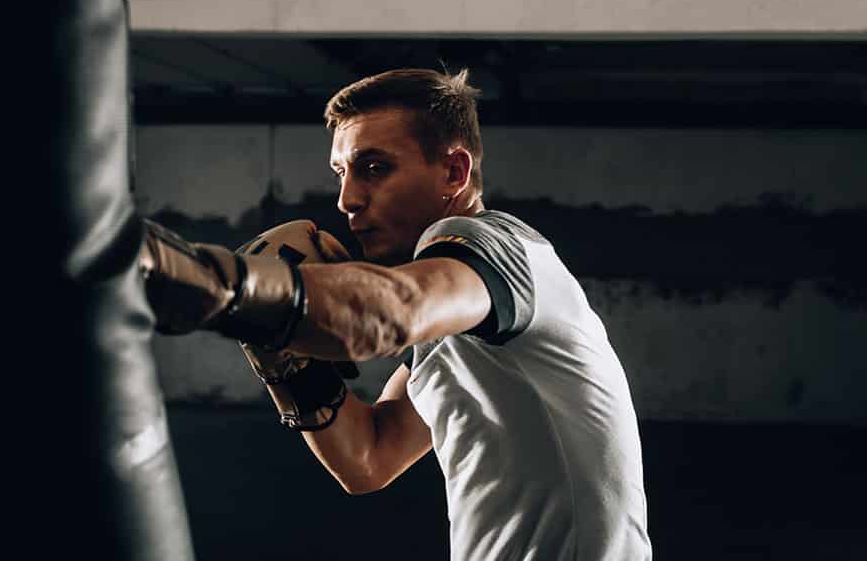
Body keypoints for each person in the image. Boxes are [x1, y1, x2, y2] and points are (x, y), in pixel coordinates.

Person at [140, 68, 652, 561]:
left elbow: (389, 313)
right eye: (343, 172)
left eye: (374, 168)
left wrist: (213, 283)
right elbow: (369, 459)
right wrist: (280, 350)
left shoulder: (493, 245)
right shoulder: (459, 316)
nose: (347, 199)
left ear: (454, 171)